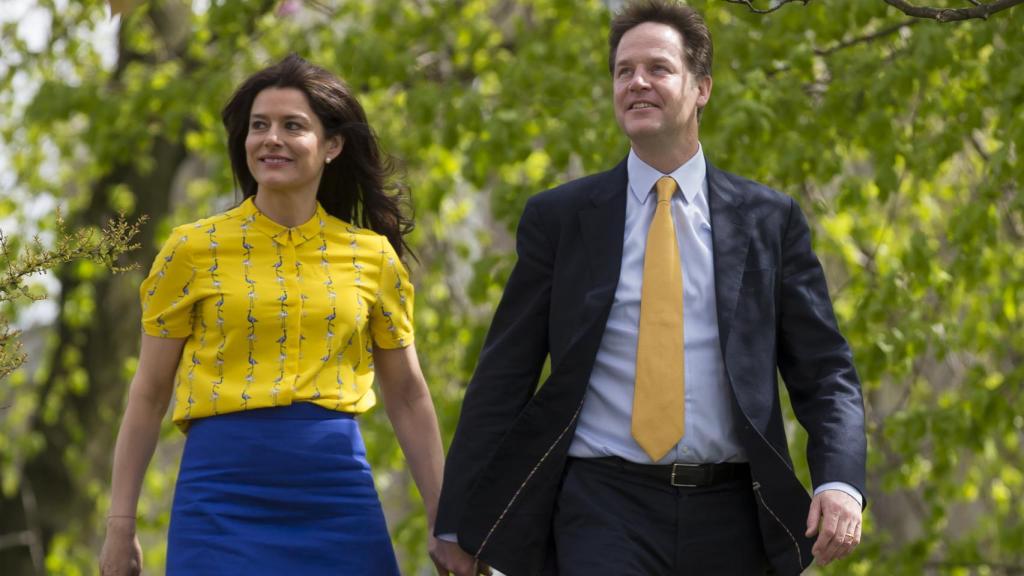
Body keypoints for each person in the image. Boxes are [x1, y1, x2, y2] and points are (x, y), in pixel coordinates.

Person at [433, 2, 866, 575]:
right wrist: (457, 521)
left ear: (702, 87)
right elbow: (504, 375)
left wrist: (839, 481)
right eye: (623, 70)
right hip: (601, 503)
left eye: (658, 68)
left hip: (735, 509)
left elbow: (825, 370)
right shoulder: (560, 219)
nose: (637, 81)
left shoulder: (768, 220)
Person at [99, 54, 473, 575]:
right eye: (259, 126)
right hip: (219, 499)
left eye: (292, 126)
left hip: (337, 496)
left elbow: (408, 394)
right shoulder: (192, 249)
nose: (270, 138)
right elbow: (148, 391)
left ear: (333, 145)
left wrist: (443, 520)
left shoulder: (371, 257)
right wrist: (121, 526)